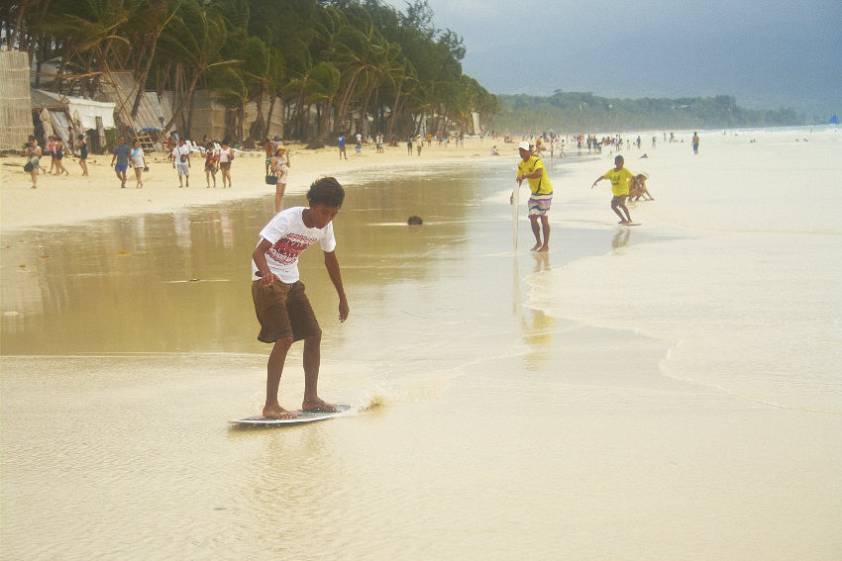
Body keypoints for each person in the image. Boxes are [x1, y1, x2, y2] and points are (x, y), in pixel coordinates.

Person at [250, 177, 349, 419]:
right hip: (267, 282)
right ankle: (271, 405)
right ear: (312, 205)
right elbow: (258, 252)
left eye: (333, 214)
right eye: (324, 212)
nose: (327, 219)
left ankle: (310, 399)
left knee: (314, 334)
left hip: (292, 281)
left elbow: (330, 260)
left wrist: (342, 297)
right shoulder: (287, 219)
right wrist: (266, 273)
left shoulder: (326, 226)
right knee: (285, 338)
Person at [513, 140, 553, 252]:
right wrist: (514, 194)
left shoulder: (536, 161)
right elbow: (519, 179)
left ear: (529, 151)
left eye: (523, 151)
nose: (521, 153)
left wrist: (526, 175)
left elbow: (539, 173)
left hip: (545, 192)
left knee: (544, 218)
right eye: (520, 151)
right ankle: (538, 242)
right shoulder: (521, 165)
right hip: (535, 194)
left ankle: (546, 245)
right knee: (532, 217)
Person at [591, 155, 635, 224]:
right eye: (619, 162)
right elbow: (603, 176)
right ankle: (623, 219)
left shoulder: (624, 170)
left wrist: (638, 184)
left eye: (622, 162)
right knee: (613, 206)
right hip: (616, 193)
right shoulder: (611, 171)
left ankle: (629, 219)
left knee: (621, 204)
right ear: (615, 163)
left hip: (624, 191)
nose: (621, 164)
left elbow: (633, 177)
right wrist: (596, 181)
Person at [271, 146, 290, 213]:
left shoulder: (284, 157)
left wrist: (287, 156)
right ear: (278, 151)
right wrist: (279, 169)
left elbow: (289, 165)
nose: (282, 152)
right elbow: (272, 169)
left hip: (285, 176)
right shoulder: (274, 158)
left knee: (282, 194)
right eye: (281, 150)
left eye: (283, 150)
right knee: (278, 194)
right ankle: (277, 210)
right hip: (280, 176)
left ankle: (280, 209)